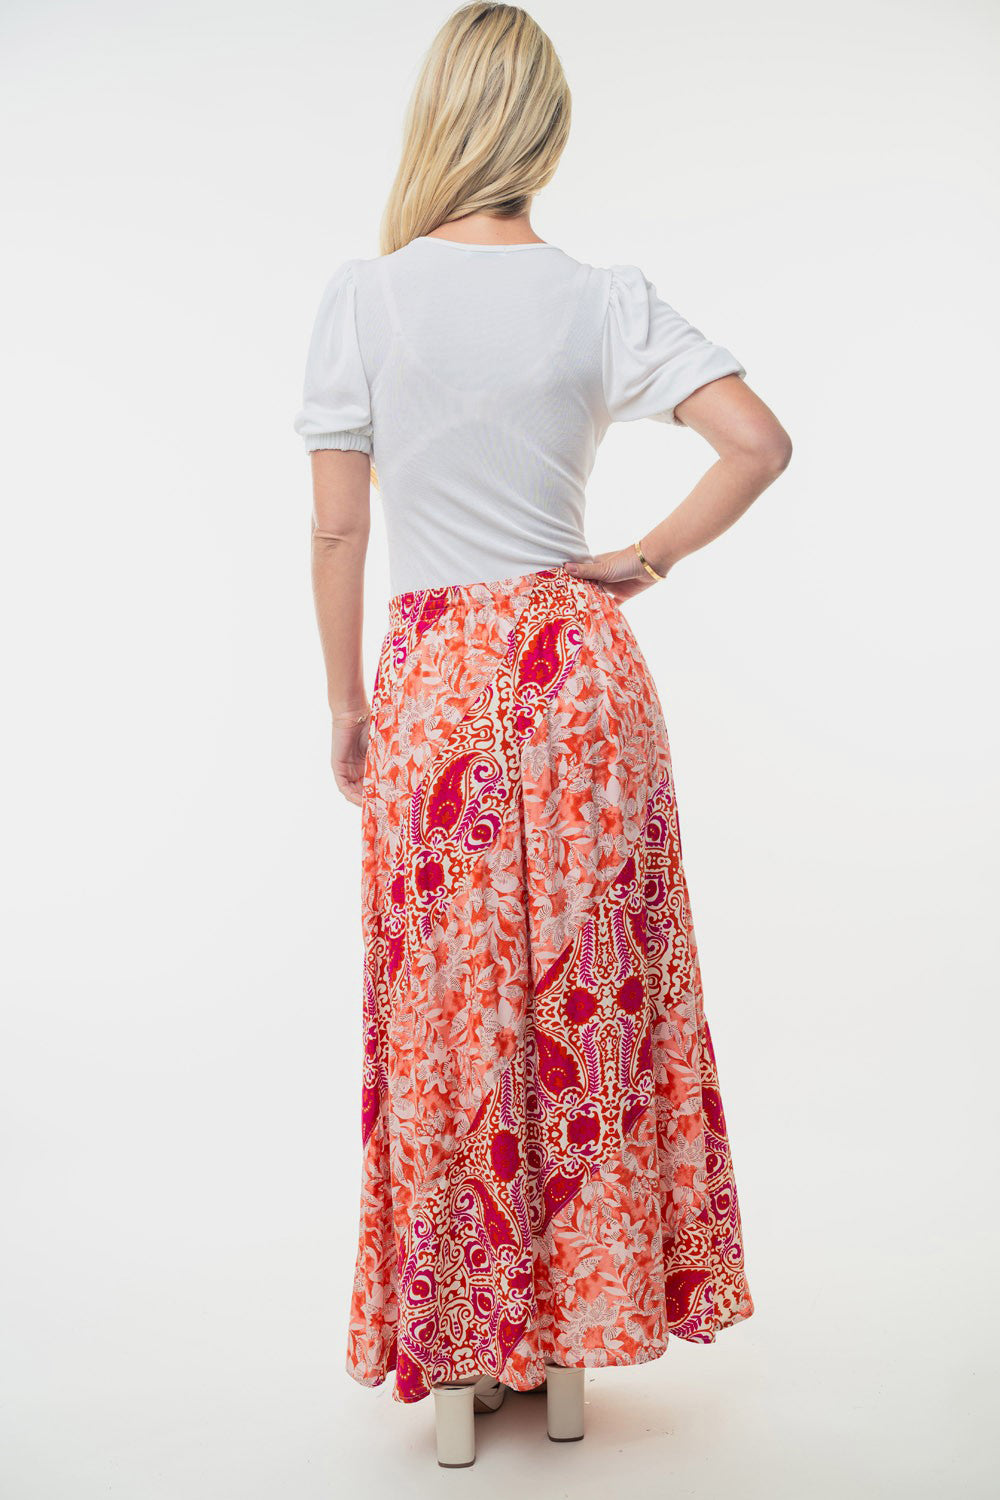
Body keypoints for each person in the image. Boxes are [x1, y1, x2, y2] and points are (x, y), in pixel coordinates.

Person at [292, 1, 791, 1470]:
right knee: (588, 1004)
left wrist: (346, 705)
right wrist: (643, 558)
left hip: (441, 679)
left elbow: (336, 522)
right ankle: (574, 1349)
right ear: (545, 133)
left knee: (447, 1013)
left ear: (440, 119)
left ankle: (460, 1368)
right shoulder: (603, 294)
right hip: (579, 674)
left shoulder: (365, 297)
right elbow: (757, 442)